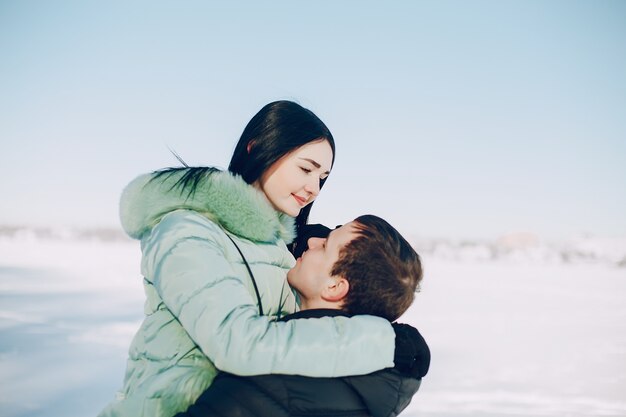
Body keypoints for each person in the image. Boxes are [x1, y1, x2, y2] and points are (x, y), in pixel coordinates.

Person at [98, 101, 421, 417]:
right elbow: (236, 344)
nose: (314, 189)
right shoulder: (188, 231)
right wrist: (380, 344)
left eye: (322, 177)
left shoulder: (282, 251)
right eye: (306, 169)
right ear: (257, 148)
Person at [175, 215, 430, 417]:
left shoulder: (270, 375)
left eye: (325, 245)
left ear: (334, 287)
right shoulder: (379, 381)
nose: (312, 242)